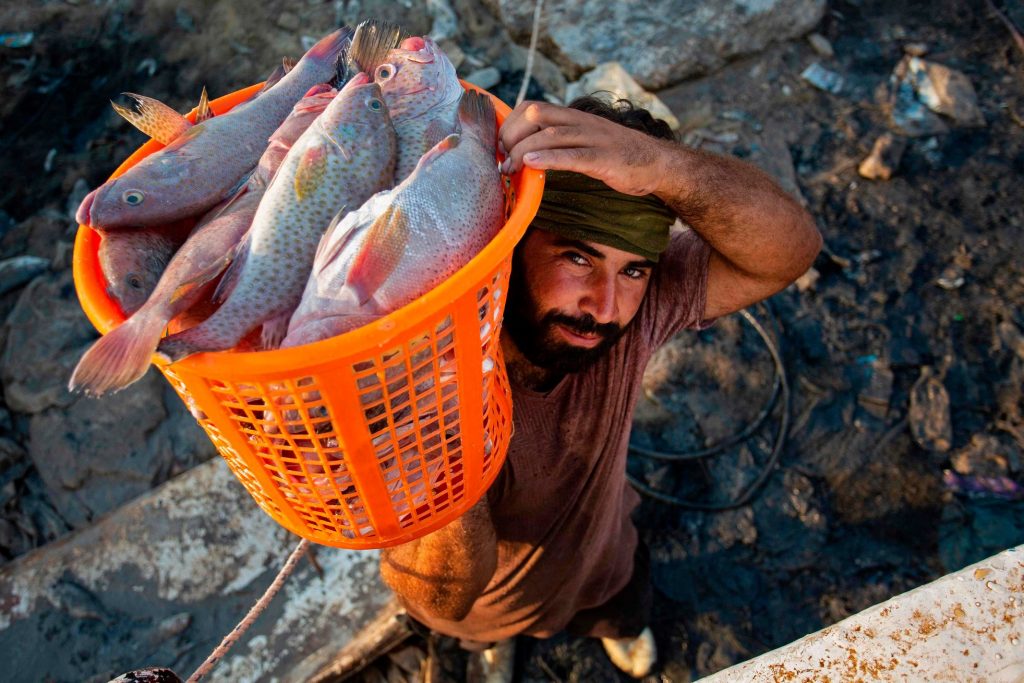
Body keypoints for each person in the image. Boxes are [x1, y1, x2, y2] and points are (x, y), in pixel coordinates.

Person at [377, 94, 822, 681]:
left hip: (605, 561)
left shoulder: (637, 317)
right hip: (487, 607)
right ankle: (500, 646)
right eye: (578, 258)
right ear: (509, 245)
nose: (605, 308)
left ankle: (621, 629)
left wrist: (666, 166)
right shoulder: (413, 381)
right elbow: (442, 599)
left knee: (620, 609)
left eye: (633, 269)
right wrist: (450, 444)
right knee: (487, 631)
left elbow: (789, 251)